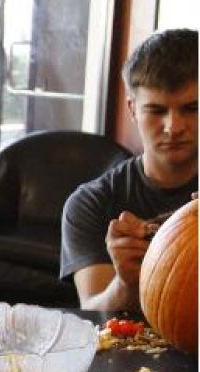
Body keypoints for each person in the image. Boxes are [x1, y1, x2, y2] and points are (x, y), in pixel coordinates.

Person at [61, 28, 197, 311]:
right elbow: (92, 310)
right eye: (157, 111)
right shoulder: (91, 203)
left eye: (192, 108)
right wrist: (126, 282)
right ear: (133, 110)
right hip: (129, 351)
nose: (174, 127)